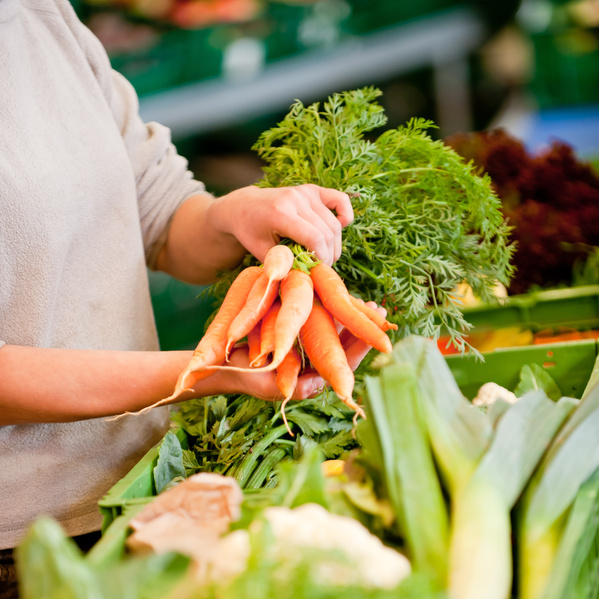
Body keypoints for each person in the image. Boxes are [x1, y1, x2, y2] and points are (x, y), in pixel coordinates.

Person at [0, 0, 378, 596]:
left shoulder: (39, 16)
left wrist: (233, 214)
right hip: (24, 545)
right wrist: (207, 371)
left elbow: (157, 210)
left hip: (145, 490)